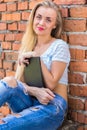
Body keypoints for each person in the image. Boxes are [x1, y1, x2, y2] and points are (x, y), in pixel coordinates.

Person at [0, 0, 70, 130]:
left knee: (4, 126)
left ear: (54, 25)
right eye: (38, 17)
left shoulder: (59, 46)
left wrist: (37, 58)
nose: (41, 23)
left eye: (48, 20)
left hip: (52, 106)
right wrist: (34, 91)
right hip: (29, 102)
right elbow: (18, 85)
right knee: (9, 81)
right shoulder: (28, 45)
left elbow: (51, 85)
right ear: (33, 19)